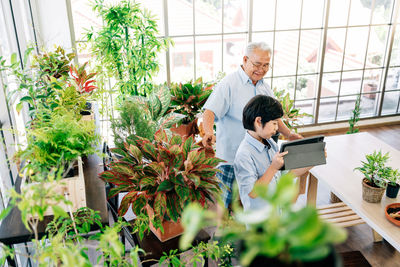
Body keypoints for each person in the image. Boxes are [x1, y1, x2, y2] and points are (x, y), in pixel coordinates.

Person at [202, 42, 302, 208]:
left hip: (257, 157)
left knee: (253, 196)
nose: (261, 69)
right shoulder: (229, 84)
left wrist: (289, 134)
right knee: (224, 202)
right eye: (257, 64)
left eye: (266, 65)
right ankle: (221, 232)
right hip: (231, 157)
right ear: (245, 60)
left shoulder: (264, 86)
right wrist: (208, 133)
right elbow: (209, 111)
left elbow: (275, 117)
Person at [234, 95, 311, 211]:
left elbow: (286, 176)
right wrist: (273, 167)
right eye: (274, 123)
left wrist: (312, 160)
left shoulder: (270, 143)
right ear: (259, 121)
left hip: (277, 214)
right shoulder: (244, 154)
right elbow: (252, 193)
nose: (277, 128)